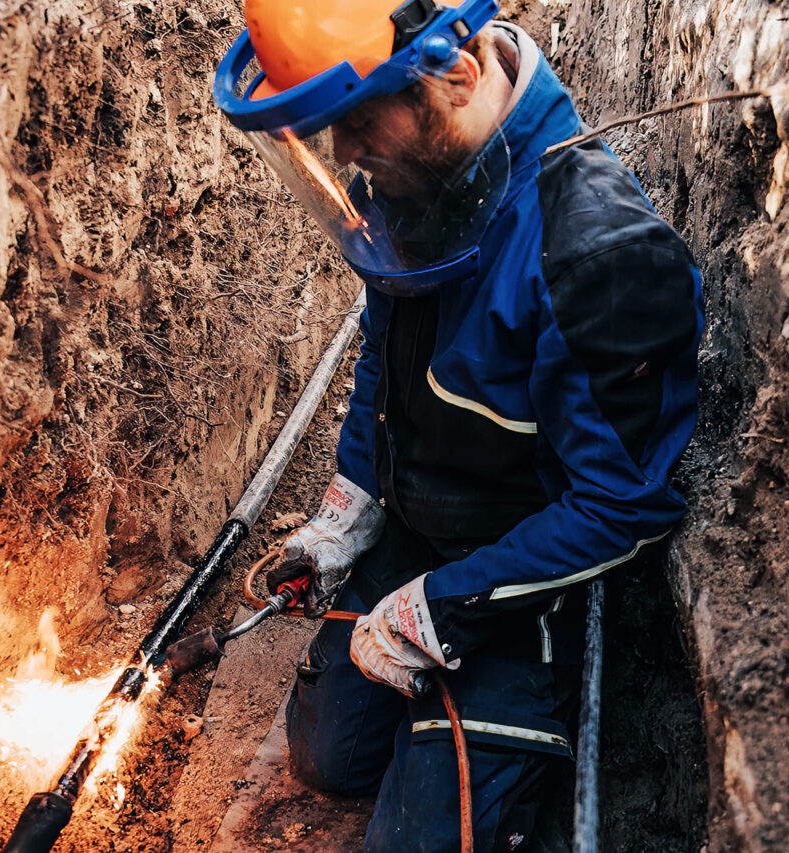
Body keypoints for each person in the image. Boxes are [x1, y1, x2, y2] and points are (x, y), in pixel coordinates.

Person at [211, 0, 702, 849]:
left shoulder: (597, 255)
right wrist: (347, 508)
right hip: (416, 526)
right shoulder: (426, 166)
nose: (343, 158)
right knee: (327, 758)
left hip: (521, 569)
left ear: (459, 76)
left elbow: (622, 505)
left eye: (357, 124)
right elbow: (383, 361)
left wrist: (444, 607)